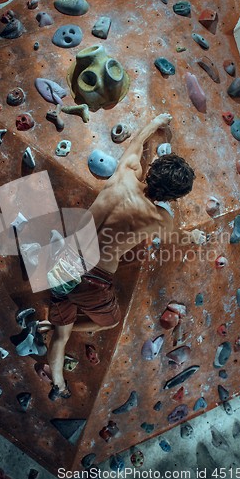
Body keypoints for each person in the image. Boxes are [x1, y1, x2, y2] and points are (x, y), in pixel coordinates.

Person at [39, 113, 205, 400]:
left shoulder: (124, 173)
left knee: (64, 301)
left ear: (150, 167)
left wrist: (156, 123)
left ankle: (57, 366)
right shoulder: (159, 217)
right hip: (91, 279)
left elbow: (138, 142)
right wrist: (195, 237)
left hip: (62, 258)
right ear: (172, 199)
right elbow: (177, 238)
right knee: (110, 321)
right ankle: (58, 361)